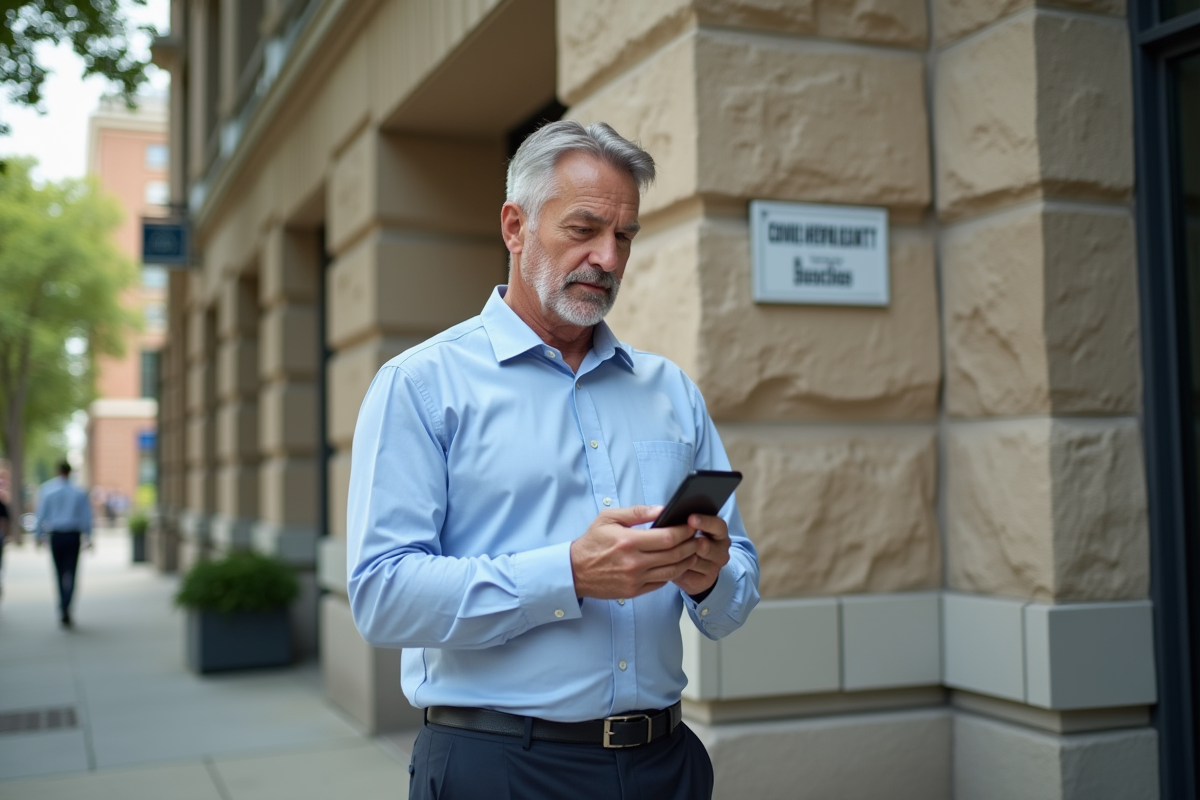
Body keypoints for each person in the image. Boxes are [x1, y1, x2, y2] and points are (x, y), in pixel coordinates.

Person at [347, 121, 760, 799]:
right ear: (515, 226)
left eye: (623, 235)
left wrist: (710, 573)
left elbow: (737, 586)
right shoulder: (421, 385)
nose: (607, 257)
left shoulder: (670, 392)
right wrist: (568, 574)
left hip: (666, 766)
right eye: (584, 229)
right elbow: (381, 597)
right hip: (501, 769)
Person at [35, 461, 93, 627]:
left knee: (59, 573)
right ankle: (67, 604)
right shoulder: (78, 492)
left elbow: (41, 514)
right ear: (69, 472)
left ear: (58, 471)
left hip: (56, 535)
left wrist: (38, 535)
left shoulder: (48, 490)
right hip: (73, 535)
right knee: (72, 573)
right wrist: (89, 536)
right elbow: (86, 516)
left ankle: (63, 604)